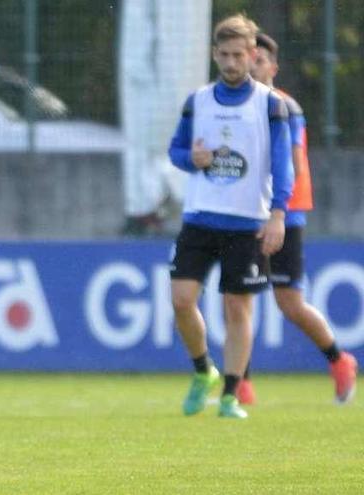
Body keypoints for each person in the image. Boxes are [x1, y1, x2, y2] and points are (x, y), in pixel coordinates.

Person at [167, 14, 294, 419]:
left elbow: (282, 163)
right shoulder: (198, 100)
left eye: (239, 55)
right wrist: (193, 158)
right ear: (213, 55)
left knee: (237, 309)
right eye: (224, 55)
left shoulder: (270, 105)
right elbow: (176, 151)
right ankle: (203, 369)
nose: (231, 63)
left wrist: (278, 213)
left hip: (246, 221)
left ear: (252, 54)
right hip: (201, 216)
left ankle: (230, 395)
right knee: (181, 300)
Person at [237, 32, 358, 405]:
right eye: (246, 59)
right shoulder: (236, 106)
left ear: (272, 67)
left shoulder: (284, 107)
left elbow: (290, 166)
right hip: (244, 214)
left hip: (282, 217)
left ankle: (339, 360)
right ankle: (240, 385)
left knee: (289, 303)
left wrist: (279, 212)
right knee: (238, 297)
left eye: (258, 60)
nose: (250, 66)